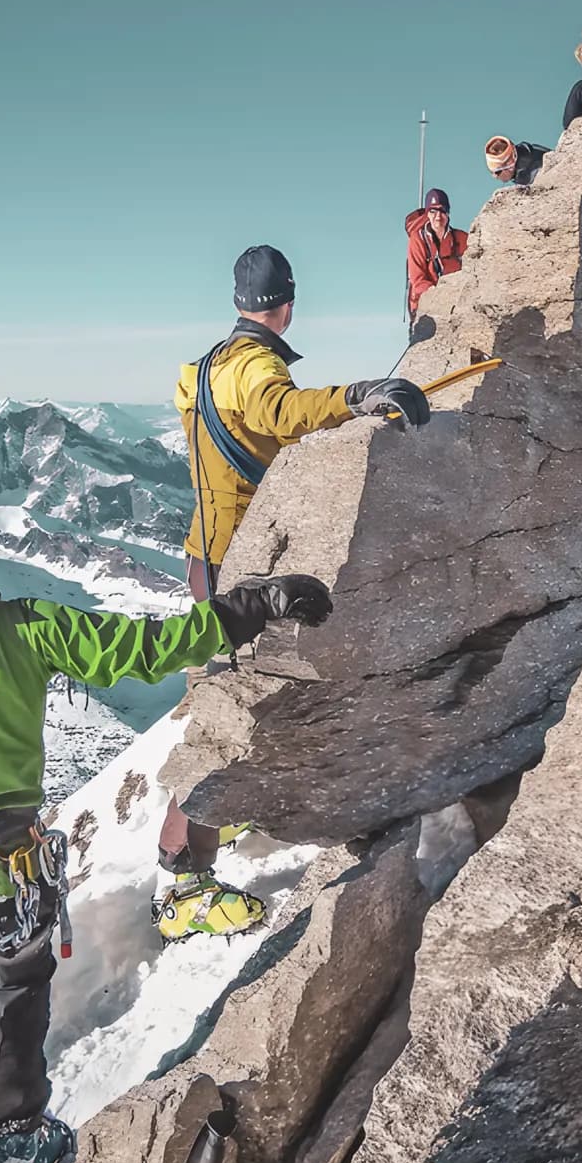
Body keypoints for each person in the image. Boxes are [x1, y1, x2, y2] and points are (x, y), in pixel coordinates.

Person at [0, 469, 333, 1163]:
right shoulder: (27, 626)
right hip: (7, 876)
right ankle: (15, 1137)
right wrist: (252, 605)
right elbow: (147, 650)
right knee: (19, 982)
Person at [160, 243, 429, 938]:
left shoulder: (210, 363)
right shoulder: (254, 366)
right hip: (237, 562)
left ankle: (209, 829)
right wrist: (354, 397)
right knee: (220, 724)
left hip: (207, 552)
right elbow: (281, 412)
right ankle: (182, 882)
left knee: (226, 705)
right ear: (287, 304)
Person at [406, 187, 468, 319]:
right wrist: (440, 295)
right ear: (427, 214)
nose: (438, 217)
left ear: (448, 213)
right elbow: (417, 280)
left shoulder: (462, 238)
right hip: (424, 304)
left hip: (456, 303)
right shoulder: (417, 240)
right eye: (433, 211)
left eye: (442, 211)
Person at [484, 133, 550, 188]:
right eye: (491, 172)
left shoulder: (530, 176)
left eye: (497, 172)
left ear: (510, 166)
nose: (494, 177)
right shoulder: (529, 152)